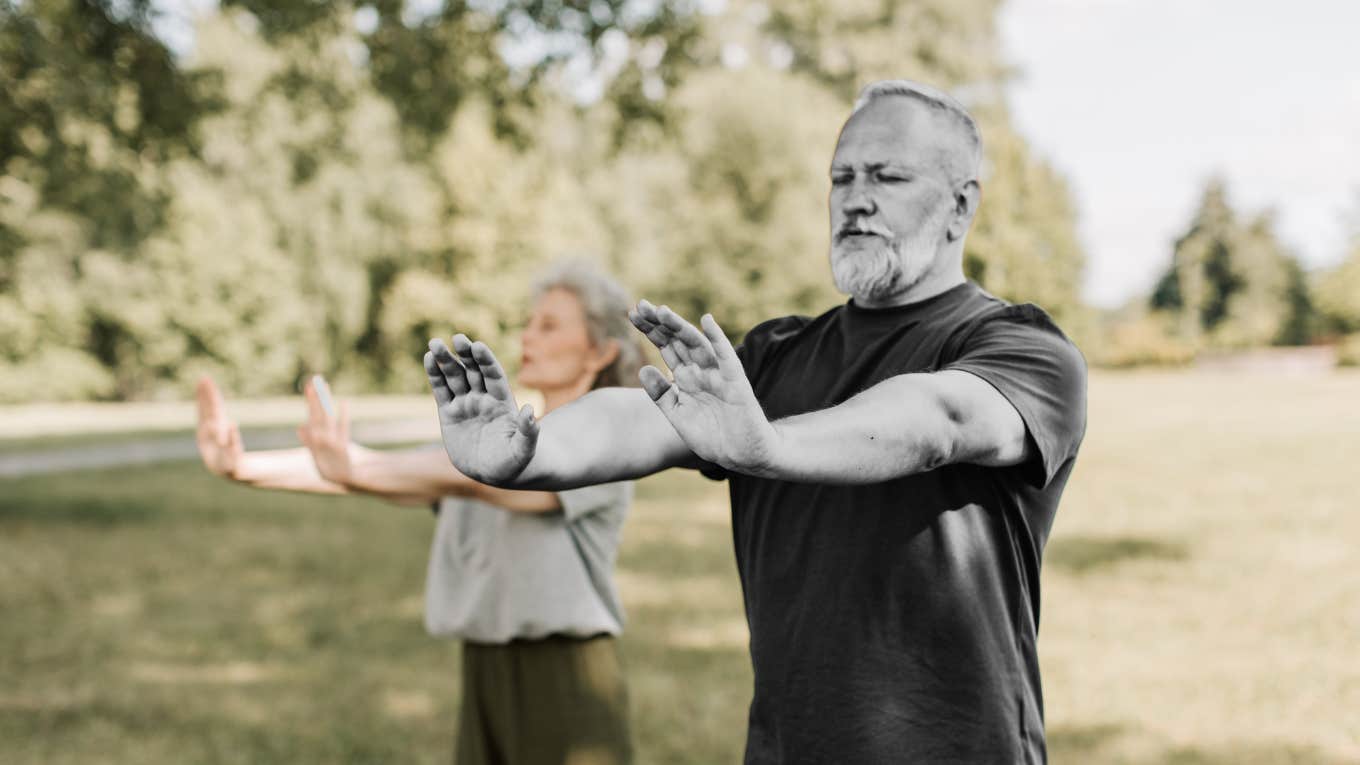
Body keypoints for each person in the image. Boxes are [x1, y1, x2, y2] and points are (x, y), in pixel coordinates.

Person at [423, 80, 1088, 763]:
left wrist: (771, 447)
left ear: (961, 204)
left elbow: (937, 420)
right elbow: (637, 418)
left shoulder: (1023, 348)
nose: (856, 198)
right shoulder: (775, 359)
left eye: (888, 176)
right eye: (842, 177)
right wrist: (526, 454)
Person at [196, 260, 644, 765]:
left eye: (549, 325)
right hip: (483, 666)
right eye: (528, 322)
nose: (527, 336)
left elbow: (486, 483)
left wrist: (355, 465)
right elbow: (396, 473)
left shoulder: (608, 442)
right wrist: (239, 465)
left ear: (601, 349)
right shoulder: (488, 444)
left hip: (566, 677)